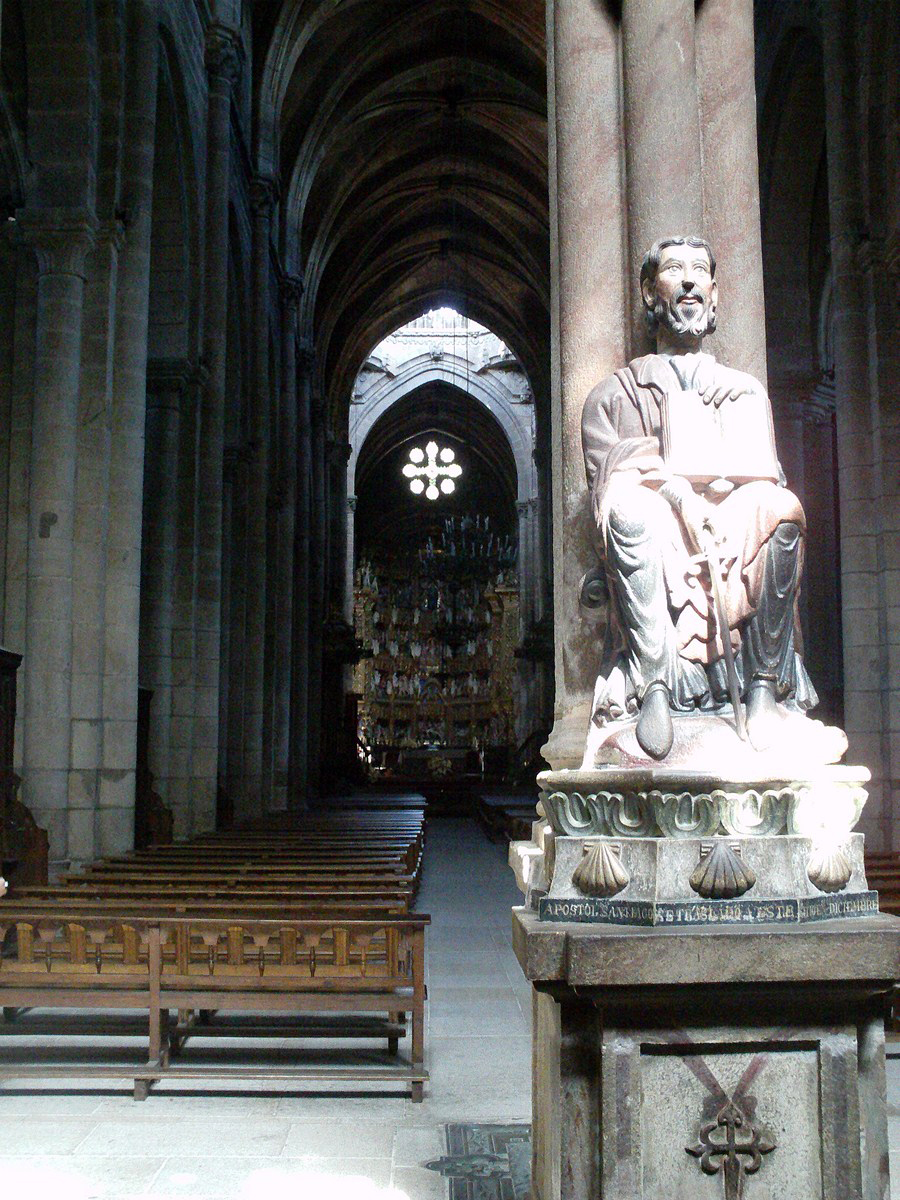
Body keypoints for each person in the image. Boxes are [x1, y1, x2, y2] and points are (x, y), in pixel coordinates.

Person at [581, 235, 816, 760]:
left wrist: (730, 450)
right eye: (672, 270)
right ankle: (656, 687)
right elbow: (612, 472)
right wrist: (681, 494)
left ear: (715, 293)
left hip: (731, 517)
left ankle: (761, 684)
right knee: (628, 511)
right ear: (649, 291)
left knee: (782, 510)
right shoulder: (616, 393)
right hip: (660, 515)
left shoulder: (745, 388)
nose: (688, 281)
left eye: (698, 272)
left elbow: (766, 474)